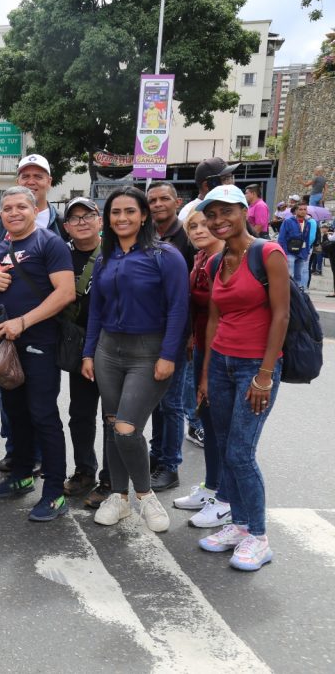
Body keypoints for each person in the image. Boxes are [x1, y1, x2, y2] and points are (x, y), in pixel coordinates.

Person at [81, 186, 188, 533]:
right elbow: (95, 311)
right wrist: (88, 352)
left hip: (149, 353)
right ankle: (119, 497)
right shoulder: (104, 259)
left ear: (144, 216)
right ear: (107, 219)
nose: (122, 218)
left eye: (130, 211)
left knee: (127, 428)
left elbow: (178, 309)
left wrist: (168, 355)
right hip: (108, 352)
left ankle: (144, 496)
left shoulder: (166, 256)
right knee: (113, 425)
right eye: (115, 212)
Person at [196, 185, 289, 571]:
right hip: (221, 363)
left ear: (243, 211)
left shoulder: (268, 253)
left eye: (225, 213)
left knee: (240, 452)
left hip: (256, 366)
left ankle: (259, 536)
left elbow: (281, 316)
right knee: (221, 441)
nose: (218, 221)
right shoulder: (218, 262)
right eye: (211, 215)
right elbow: (215, 318)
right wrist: (204, 374)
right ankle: (238, 525)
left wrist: (265, 374)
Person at [0, 186, 75, 522]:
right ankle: (21, 473)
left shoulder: (49, 243)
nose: (14, 213)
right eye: (7, 208)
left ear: (34, 209)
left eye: (21, 206)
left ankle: (54, 492)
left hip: (38, 343)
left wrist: (23, 322)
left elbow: (65, 293)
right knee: (16, 413)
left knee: (43, 416)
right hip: (6, 347)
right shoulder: (1, 247)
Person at [173, 210, 231, 528]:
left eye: (203, 224)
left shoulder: (226, 259)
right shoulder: (200, 259)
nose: (197, 230)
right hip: (201, 348)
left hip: (224, 352)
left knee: (222, 429)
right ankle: (211, 487)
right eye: (191, 226)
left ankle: (224, 498)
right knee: (206, 421)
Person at [57, 197, 108, 504]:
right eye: (74, 219)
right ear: (66, 227)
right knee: (81, 414)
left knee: (113, 418)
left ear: (99, 219)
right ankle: (84, 471)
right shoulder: (61, 256)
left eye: (87, 215)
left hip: (113, 345)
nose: (82, 222)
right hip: (79, 346)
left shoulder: (115, 253)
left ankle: (112, 481)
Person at [146, 182, 196, 492]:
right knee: (155, 401)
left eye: (164, 198)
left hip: (176, 333)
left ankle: (170, 465)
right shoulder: (146, 236)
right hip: (150, 331)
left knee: (173, 404)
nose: (158, 204)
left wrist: (189, 335)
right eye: (152, 200)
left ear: (177, 202)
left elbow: (190, 294)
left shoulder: (187, 239)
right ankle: (156, 454)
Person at [0, 155, 67, 242]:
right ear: (17, 182)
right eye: (25, 177)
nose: (31, 182)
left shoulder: (61, 222)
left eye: (38, 177)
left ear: (49, 182)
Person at [179, 157, 238, 222]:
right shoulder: (189, 213)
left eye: (231, 177)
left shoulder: (233, 206)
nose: (231, 183)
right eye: (225, 179)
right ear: (206, 185)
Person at [277, 201, 315, 289]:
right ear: (296, 211)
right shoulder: (288, 222)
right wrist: (283, 251)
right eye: (300, 209)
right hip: (289, 252)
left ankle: (296, 295)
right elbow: (281, 237)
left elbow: (307, 239)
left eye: (305, 209)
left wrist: (306, 253)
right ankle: (287, 293)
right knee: (289, 275)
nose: (303, 211)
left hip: (301, 252)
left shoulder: (308, 224)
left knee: (299, 276)